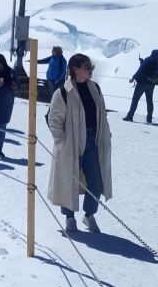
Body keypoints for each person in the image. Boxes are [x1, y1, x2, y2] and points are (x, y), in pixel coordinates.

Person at [47, 53, 113, 233]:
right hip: (72, 143)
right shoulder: (62, 92)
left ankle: (89, 215)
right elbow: (54, 120)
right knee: (69, 180)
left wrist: (107, 133)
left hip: (94, 141)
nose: (90, 70)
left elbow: (102, 113)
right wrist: (62, 143)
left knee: (96, 181)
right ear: (75, 69)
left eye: (91, 67)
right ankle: (69, 218)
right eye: (87, 67)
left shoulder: (95, 88)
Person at [127, 49, 158, 123]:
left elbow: (141, 70)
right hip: (151, 84)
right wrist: (142, 61)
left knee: (135, 99)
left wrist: (133, 77)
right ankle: (149, 118)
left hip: (142, 83)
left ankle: (130, 116)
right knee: (149, 101)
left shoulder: (148, 60)